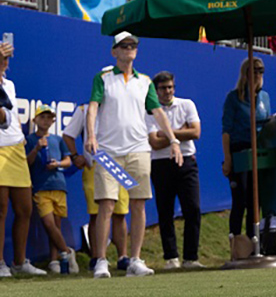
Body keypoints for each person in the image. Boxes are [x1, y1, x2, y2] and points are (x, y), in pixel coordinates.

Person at [85, 32, 184, 278]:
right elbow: (93, 107)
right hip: (108, 152)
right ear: (114, 51)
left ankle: (135, 260)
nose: (129, 49)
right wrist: (91, 135)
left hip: (138, 150)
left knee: (138, 205)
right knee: (106, 205)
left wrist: (173, 139)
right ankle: (101, 261)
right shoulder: (103, 78)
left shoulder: (145, 82)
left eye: (133, 46)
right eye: (124, 46)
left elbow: (158, 112)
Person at [63, 100, 130, 275]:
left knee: (120, 213)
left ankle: (123, 257)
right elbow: (68, 135)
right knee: (96, 214)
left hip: (118, 164)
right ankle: (97, 257)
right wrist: (76, 156)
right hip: (95, 164)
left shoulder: (124, 107)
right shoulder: (85, 109)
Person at [146, 72, 203, 270]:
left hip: (186, 161)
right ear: (156, 90)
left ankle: (191, 257)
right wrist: (181, 132)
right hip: (161, 163)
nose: (168, 91)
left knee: (193, 209)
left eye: (170, 87)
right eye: (163, 88)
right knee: (165, 211)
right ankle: (171, 257)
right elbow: (154, 142)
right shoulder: (150, 111)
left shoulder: (187, 104)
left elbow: (195, 132)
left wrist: (168, 133)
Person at [0, 39, 45, 276]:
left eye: (6, 58)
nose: (5, 62)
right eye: (1, 57)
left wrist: (19, 132)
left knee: (25, 208)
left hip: (16, 148)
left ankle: (19, 262)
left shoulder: (10, 84)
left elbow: (10, 115)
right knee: (1, 208)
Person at [221, 57, 270, 257]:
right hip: (239, 150)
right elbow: (226, 131)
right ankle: (235, 243)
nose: (258, 74)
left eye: (261, 71)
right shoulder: (234, 98)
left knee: (254, 200)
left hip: (257, 151)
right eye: (254, 71)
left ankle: (253, 243)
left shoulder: (264, 97)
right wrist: (228, 158)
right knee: (239, 200)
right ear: (245, 73)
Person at [25, 104, 74, 274]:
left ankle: (55, 260)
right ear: (35, 120)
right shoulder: (30, 140)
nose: (46, 120)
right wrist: (37, 148)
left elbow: (68, 161)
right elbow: (27, 162)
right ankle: (66, 252)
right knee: (48, 224)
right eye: (42, 117)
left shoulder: (58, 139)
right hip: (40, 187)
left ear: (54, 120)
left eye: (49, 117)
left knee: (56, 226)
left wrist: (58, 164)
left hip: (59, 186)